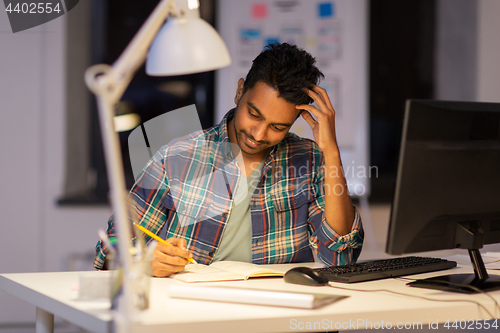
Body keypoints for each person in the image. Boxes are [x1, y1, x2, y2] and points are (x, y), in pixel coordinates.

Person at [94, 43, 363, 277]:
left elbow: (341, 257)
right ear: (240, 92)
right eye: (254, 114)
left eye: (278, 127)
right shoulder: (177, 157)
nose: (258, 135)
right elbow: (112, 246)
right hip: (193, 311)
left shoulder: (310, 161)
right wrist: (143, 259)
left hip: (277, 313)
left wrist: (331, 151)